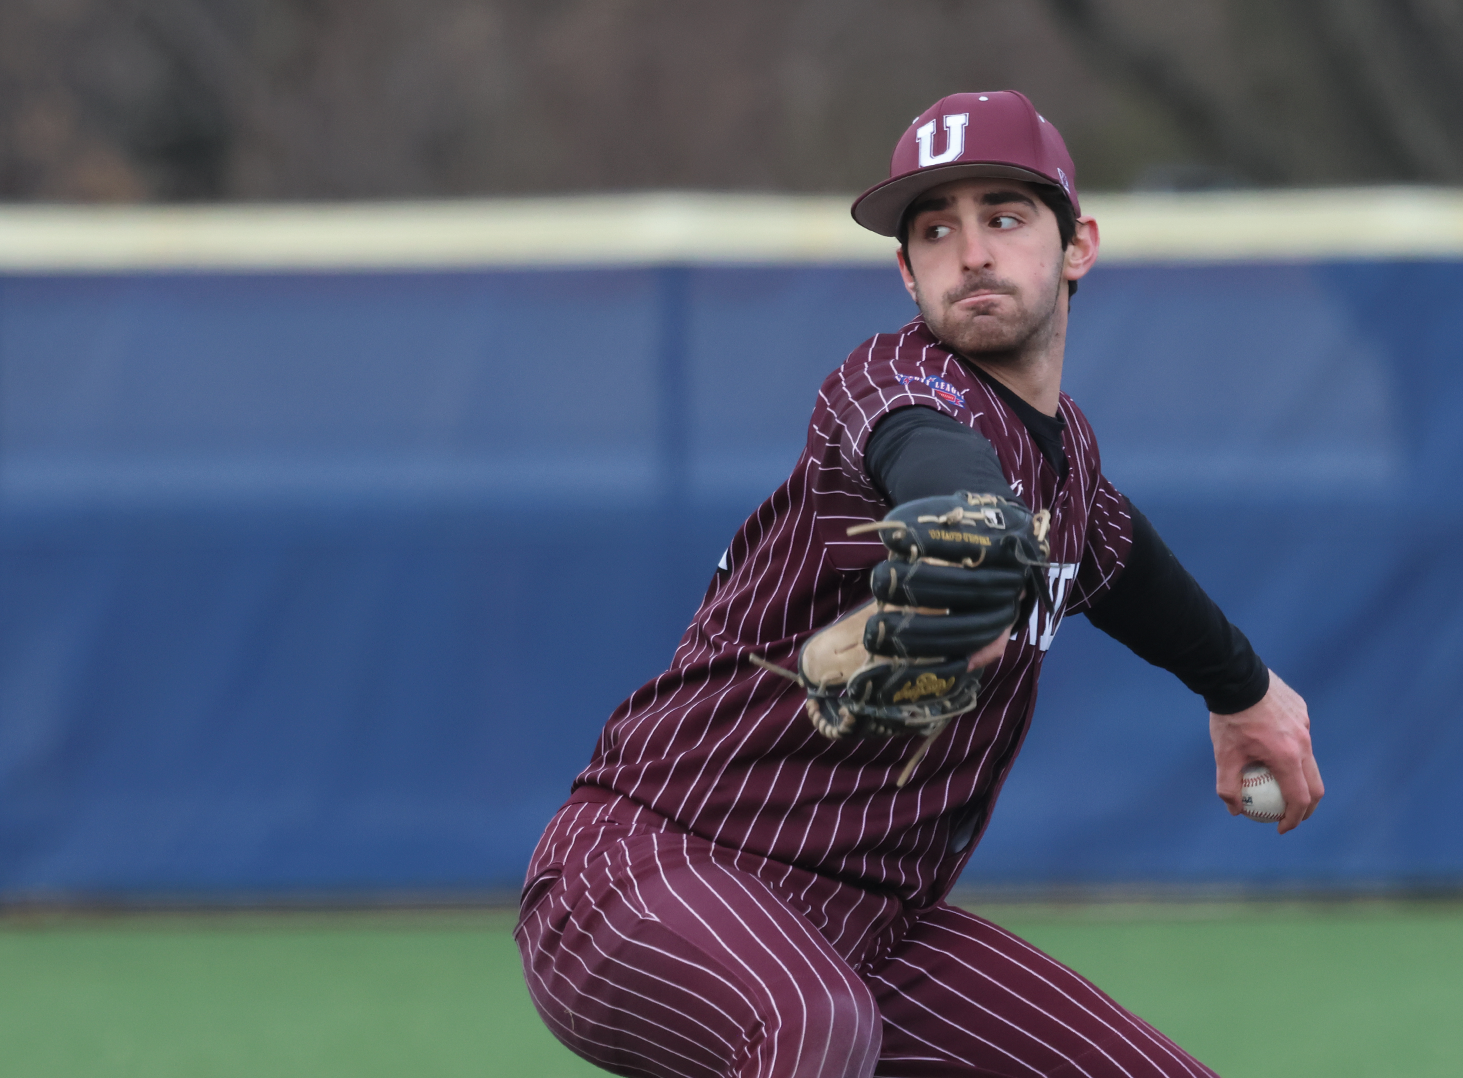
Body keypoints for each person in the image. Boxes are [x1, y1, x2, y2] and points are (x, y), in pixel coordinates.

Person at [515, 89, 1324, 1078]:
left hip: (867, 931)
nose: (972, 251)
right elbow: (935, 456)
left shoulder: (1068, 461)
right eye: (935, 229)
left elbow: (1119, 560)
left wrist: (1244, 690)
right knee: (814, 1027)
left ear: (1078, 246)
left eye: (1005, 216)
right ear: (906, 271)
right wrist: (964, 548)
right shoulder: (888, 387)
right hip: (650, 873)